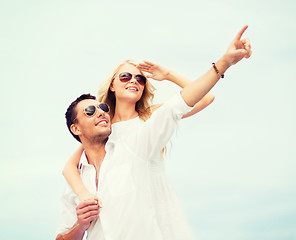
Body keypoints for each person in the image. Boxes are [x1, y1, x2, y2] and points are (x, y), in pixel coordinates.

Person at [60, 25, 252, 239]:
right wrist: (84, 197)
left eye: (140, 78)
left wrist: (168, 74)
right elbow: (72, 165)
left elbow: (203, 98)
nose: (134, 80)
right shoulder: (105, 130)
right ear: (112, 85)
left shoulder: (149, 118)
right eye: (125, 76)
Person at [56, 94, 112, 239]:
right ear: (75, 128)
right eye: (90, 110)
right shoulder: (75, 179)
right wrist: (81, 224)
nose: (101, 112)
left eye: (104, 108)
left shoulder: (132, 152)